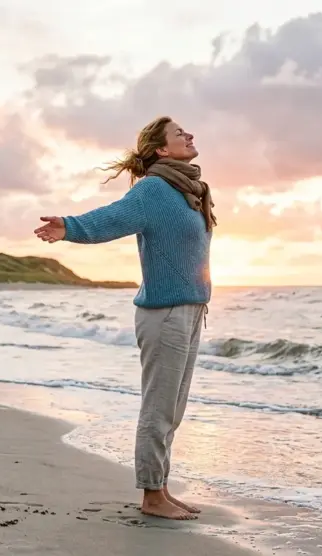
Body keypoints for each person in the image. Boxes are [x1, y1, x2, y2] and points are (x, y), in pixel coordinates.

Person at [33, 116, 215, 521]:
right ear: (161, 150)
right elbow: (113, 217)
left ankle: (162, 488)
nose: (189, 135)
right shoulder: (153, 189)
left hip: (189, 312)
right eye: (179, 133)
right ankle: (152, 496)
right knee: (159, 407)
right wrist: (70, 226)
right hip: (164, 314)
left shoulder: (190, 191)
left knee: (174, 409)